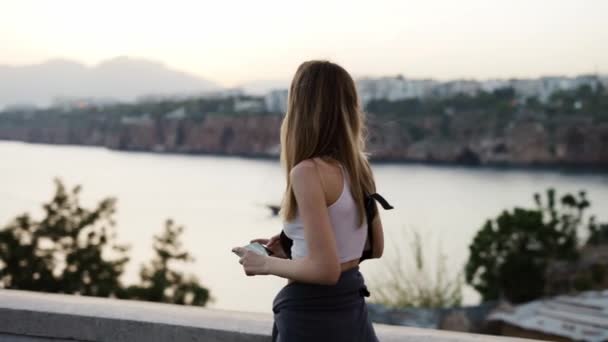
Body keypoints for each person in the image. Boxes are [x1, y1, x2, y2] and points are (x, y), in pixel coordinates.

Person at [232, 60, 385, 342]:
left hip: (311, 314)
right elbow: (373, 247)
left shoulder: (307, 172)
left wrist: (263, 264)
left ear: (300, 109)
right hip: (351, 307)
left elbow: (326, 271)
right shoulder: (359, 167)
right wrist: (293, 244)